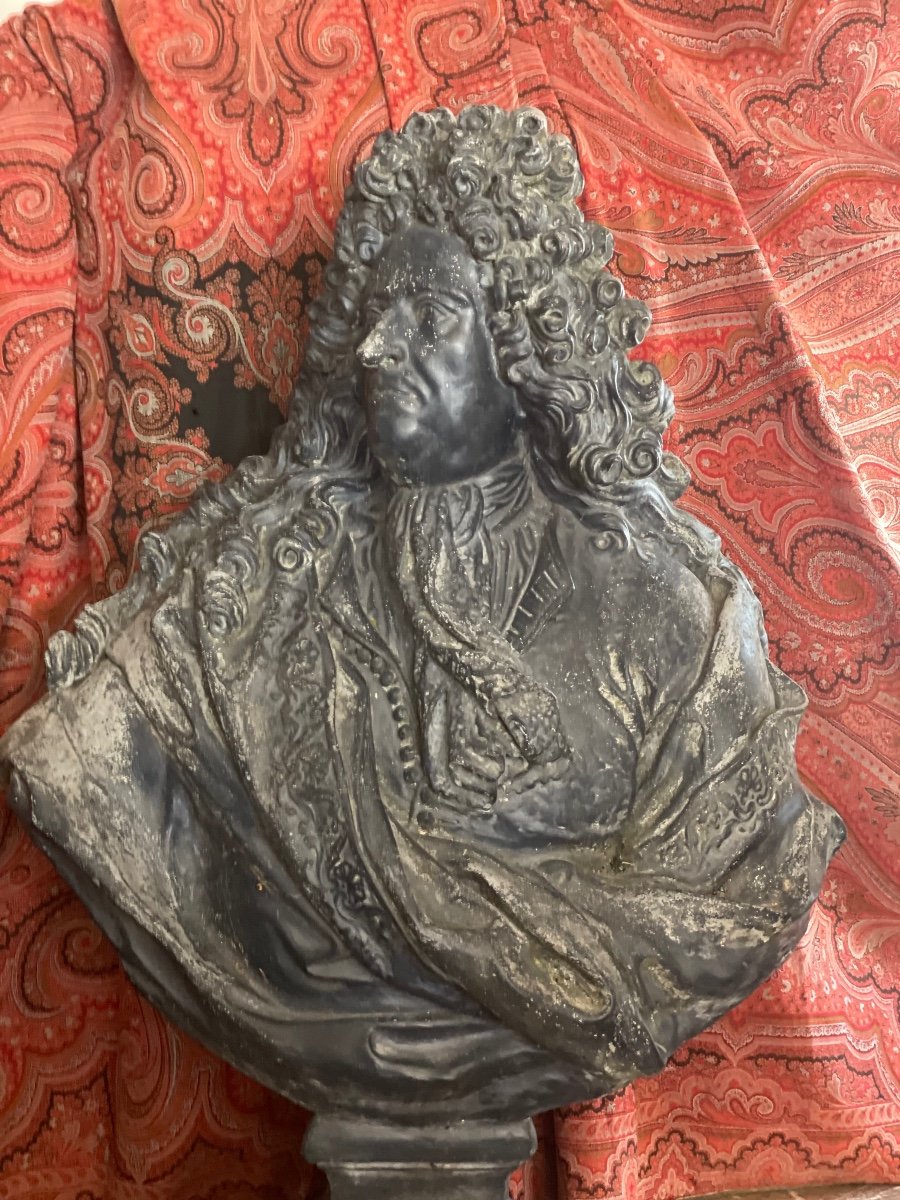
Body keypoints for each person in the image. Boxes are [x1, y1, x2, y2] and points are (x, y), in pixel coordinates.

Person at [0, 107, 843, 1123]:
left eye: (429, 314)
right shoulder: (256, 589)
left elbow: (741, 877)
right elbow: (71, 761)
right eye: (372, 315)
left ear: (523, 347)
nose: (378, 346)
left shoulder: (667, 611)